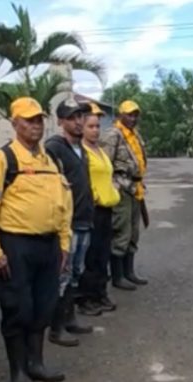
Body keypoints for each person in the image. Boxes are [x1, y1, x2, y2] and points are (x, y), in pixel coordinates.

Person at [0, 97, 71, 382]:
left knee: (44, 306)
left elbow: (63, 204)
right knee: (18, 309)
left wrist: (64, 243)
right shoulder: (1, 160)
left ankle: (36, 363)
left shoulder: (51, 161)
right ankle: (18, 370)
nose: (35, 126)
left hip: (49, 245)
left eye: (39, 120)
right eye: (29, 120)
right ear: (15, 124)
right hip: (15, 245)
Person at [45, 99, 96, 348]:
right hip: (68, 223)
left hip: (85, 219)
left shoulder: (82, 149)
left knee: (76, 272)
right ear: (61, 121)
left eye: (80, 116)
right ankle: (56, 327)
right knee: (62, 275)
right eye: (72, 117)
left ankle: (70, 317)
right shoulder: (54, 148)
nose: (78, 121)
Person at [102, 100, 149, 290]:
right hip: (121, 188)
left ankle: (129, 272)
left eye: (135, 114)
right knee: (121, 231)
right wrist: (114, 187)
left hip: (135, 188)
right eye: (129, 114)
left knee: (133, 233)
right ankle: (117, 276)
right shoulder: (113, 135)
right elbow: (106, 164)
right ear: (120, 115)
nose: (133, 118)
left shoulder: (134, 134)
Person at [78, 104, 120, 312]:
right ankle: (86, 298)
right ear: (82, 128)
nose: (95, 130)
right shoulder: (82, 152)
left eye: (97, 126)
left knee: (103, 253)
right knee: (91, 255)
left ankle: (100, 292)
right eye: (91, 126)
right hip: (92, 209)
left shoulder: (101, 151)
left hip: (106, 208)